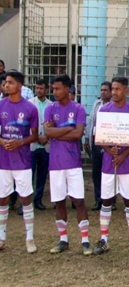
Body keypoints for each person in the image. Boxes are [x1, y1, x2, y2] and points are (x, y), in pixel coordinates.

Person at [93, 77, 129, 255]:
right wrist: (109, 149)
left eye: (117, 89)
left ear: (125, 91)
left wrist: (123, 154)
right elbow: (98, 137)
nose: (114, 92)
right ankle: (104, 239)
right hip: (109, 163)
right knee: (106, 200)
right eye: (112, 89)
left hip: (127, 163)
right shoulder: (104, 110)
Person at [43, 74, 91, 255]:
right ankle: (63, 239)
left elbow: (78, 134)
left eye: (57, 88)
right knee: (59, 202)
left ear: (66, 89)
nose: (54, 92)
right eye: (53, 88)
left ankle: (85, 241)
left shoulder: (77, 108)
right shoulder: (49, 109)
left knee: (79, 201)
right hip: (55, 164)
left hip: (73, 163)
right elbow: (47, 132)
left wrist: (56, 132)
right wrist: (67, 129)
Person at [0, 71, 39, 253]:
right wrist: (3, 141)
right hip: (3, 160)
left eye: (10, 83)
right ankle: (1, 237)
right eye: (5, 83)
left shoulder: (30, 108)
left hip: (22, 161)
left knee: (25, 198)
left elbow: (35, 135)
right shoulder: (1, 105)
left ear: (19, 86)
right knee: (3, 198)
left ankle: (29, 238)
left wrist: (20, 142)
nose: (6, 85)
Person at [85, 81, 111, 211]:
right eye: (101, 90)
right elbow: (90, 121)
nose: (103, 92)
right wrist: (87, 138)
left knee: (108, 172)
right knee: (96, 172)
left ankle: (110, 200)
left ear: (111, 92)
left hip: (109, 143)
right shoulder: (96, 104)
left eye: (106, 90)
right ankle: (98, 199)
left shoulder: (113, 106)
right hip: (95, 141)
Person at [28, 79, 51, 211]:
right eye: (37, 88)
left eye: (41, 88)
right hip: (32, 145)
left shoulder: (51, 105)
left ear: (46, 90)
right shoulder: (29, 104)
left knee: (42, 175)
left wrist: (45, 137)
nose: (38, 90)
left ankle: (38, 200)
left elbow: (53, 124)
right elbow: (27, 125)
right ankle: (25, 203)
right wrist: (37, 138)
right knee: (28, 176)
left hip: (46, 146)